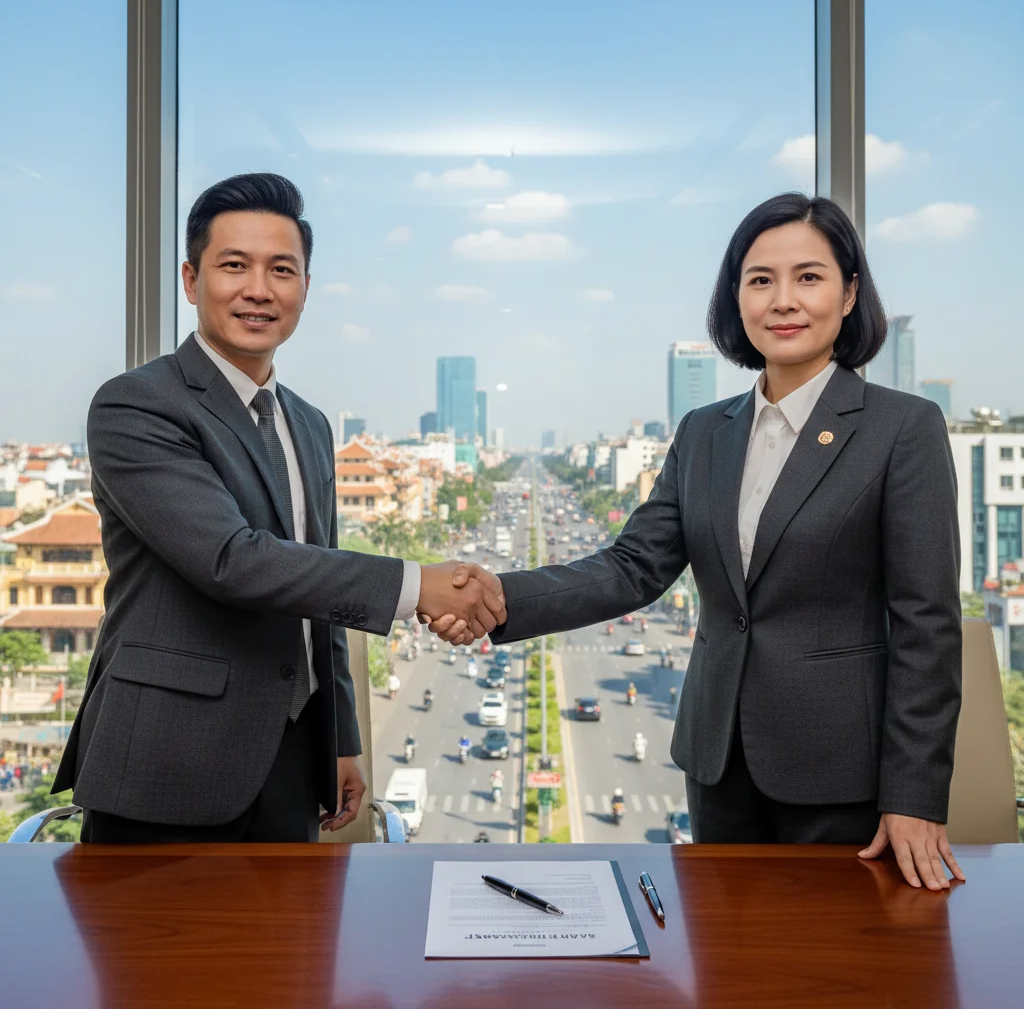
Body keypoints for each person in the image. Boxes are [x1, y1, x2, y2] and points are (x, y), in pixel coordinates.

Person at [438, 193, 965, 891]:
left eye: (808, 277)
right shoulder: (703, 431)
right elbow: (634, 569)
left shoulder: (903, 429)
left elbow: (928, 624)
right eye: (759, 279)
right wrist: (501, 596)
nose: (783, 300)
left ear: (849, 295)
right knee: (727, 965)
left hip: (844, 773)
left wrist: (915, 797)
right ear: (736, 300)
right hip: (718, 763)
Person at [51, 173, 506, 845]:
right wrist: (419, 585)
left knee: (290, 950)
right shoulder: (137, 405)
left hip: (293, 759)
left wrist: (341, 739)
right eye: (233, 265)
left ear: (304, 290)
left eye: (281, 270)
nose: (259, 289)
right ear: (189, 279)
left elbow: (318, 590)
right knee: (151, 950)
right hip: (167, 761)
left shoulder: (311, 425)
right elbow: (233, 562)